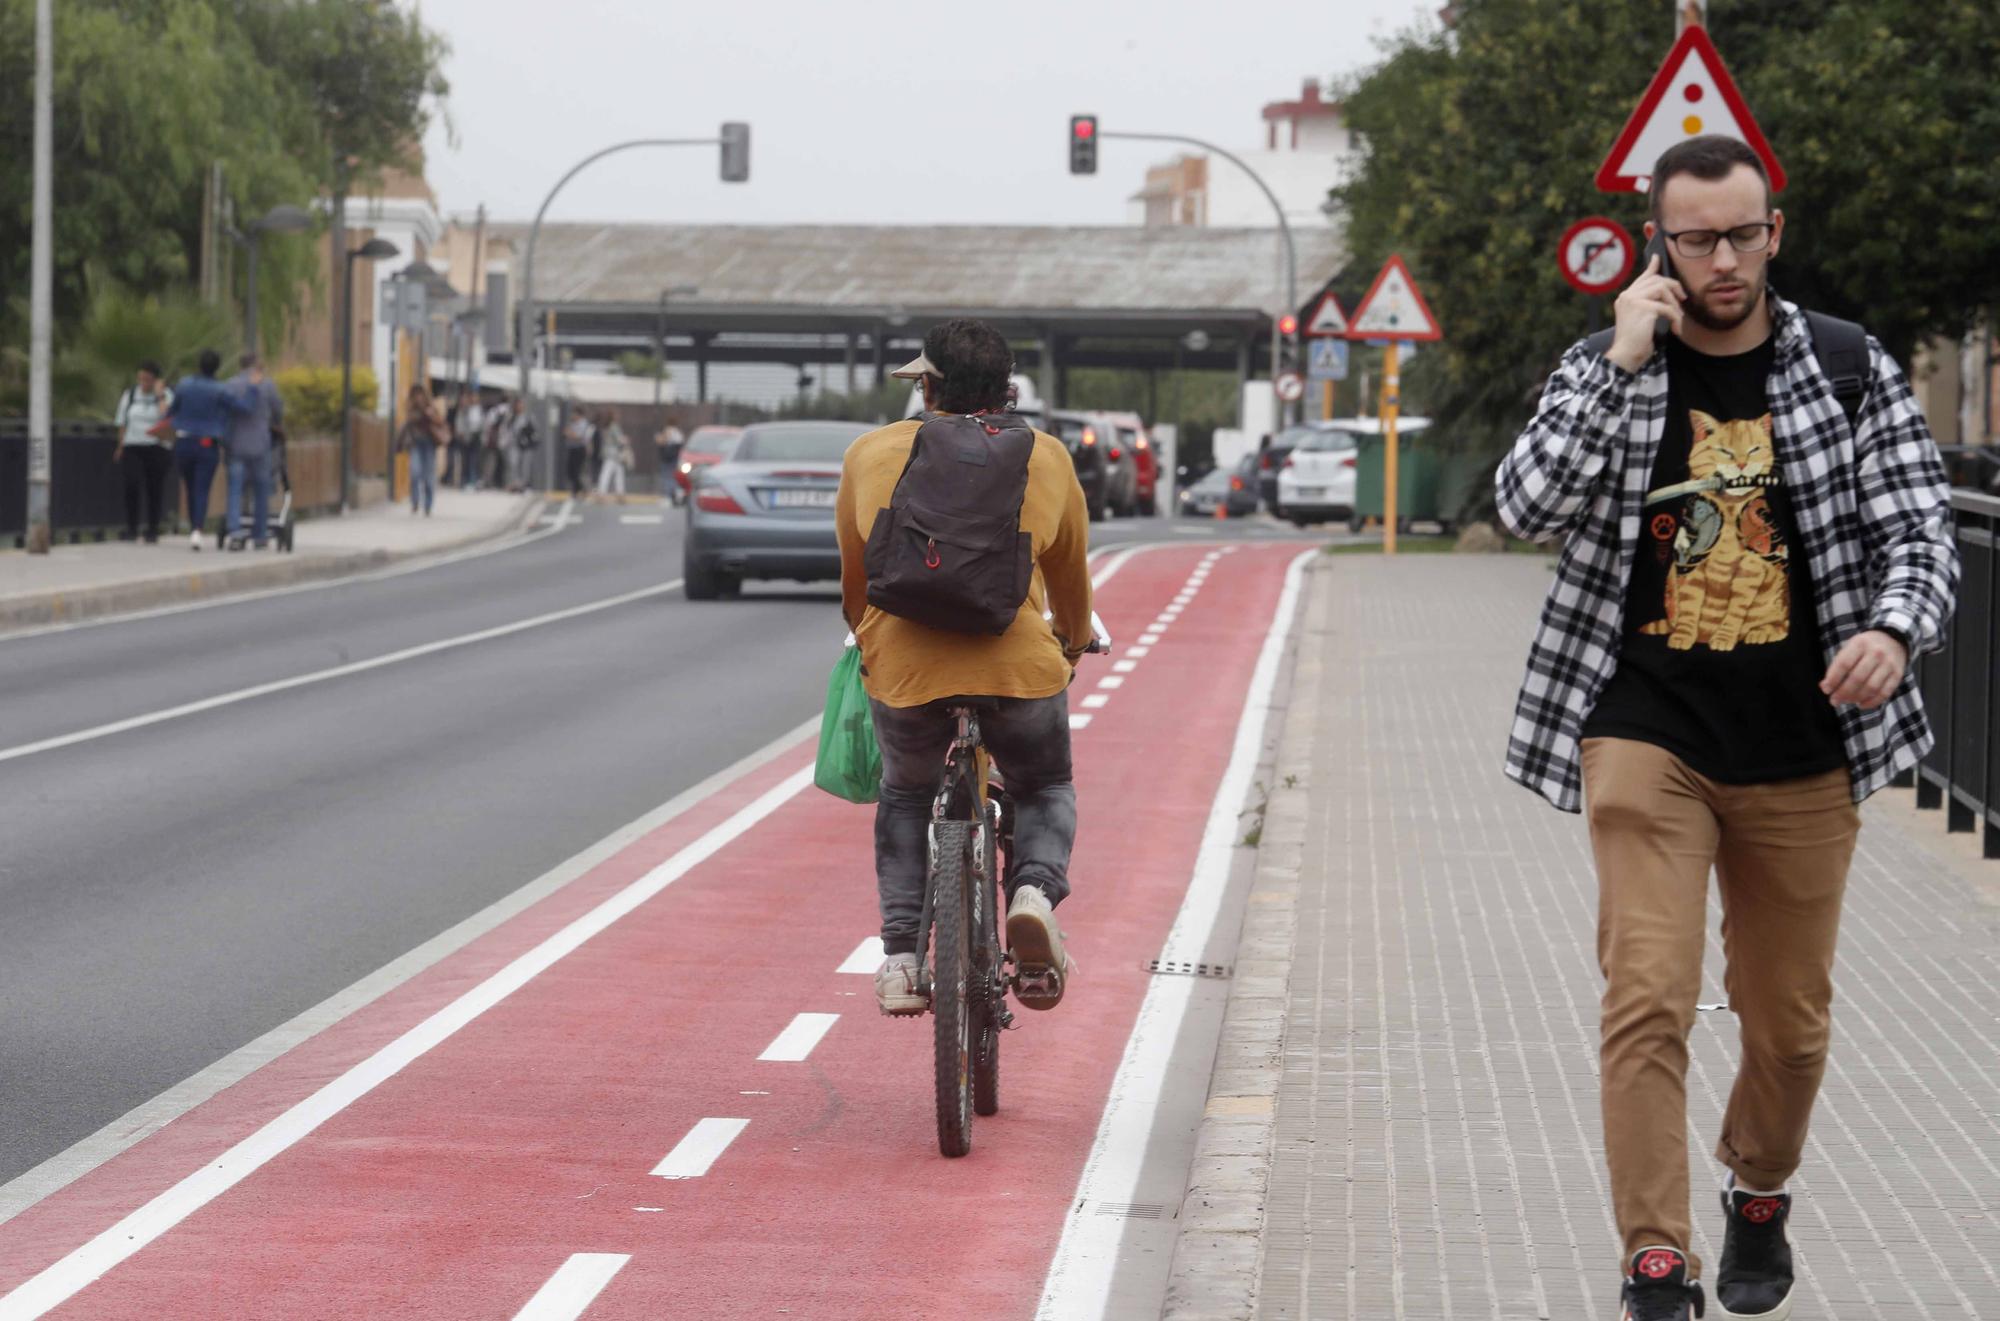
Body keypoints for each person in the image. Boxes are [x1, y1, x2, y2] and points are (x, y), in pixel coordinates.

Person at [1495, 136, 1958, 1321]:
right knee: (1645, 992)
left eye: (1739, 234)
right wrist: (1614, 361)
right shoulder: (1608, 366)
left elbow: (1919, 532)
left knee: (1788, 1026)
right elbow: (1520, 506)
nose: (1719, 259)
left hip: (1804, 747)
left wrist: (1894, 631)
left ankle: (1758, 1189)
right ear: (1657, 242)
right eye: (1693, 238)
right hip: (1641, 730)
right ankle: (1656, 1258)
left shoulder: (1847, 369)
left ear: (1772, 235)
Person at [832, 318, 1094, 1018]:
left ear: (927, 387)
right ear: (1007, 389)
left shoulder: (868, 453)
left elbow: (856, 580)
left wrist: (869, 639)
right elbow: (1070, 581)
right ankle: (1034, 893)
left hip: (905, 671)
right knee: (1043, 783)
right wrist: (1067, 646)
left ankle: (900, 959)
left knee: (907, 795)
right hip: (1017, 667)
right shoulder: (1049, 458)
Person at [164, 348, 248, 551]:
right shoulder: (220, 390)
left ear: (199, 364)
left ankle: (194, 525)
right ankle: (197, 530)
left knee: (190, 487)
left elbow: (171, 410)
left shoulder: (184, 385)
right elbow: (242, 408)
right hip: (207, 444)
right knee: (202, 488)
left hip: (184, 441)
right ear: (217, 367)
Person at [223, 353, 284, 550]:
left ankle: (234, 530)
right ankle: (260, 533)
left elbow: (225, 413)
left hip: (236, 444)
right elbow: (278, 411)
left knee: (235, 489)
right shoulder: (267, 385)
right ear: (257, 366)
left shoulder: (230, 385)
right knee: (261, 489)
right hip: (260, 444)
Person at [111, 361, 174, 542]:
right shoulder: (130, 395)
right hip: (133, 445)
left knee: (154, 488)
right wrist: (120, 445)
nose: (143, 383)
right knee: (131, 484)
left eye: (148, 380)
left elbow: (167, 417)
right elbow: (122, 421)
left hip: (156, 446)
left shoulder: (165, 395)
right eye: (141, 379)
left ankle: (152, 528)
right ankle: (131, 527)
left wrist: (160, 395)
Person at [397, 384, 447, 516]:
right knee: (415, 472)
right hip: (416, 444)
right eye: (416, 394)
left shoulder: (431, 407)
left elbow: (441, 422)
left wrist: (431, 415)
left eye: (421, 394)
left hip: (429, 445)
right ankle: (415, 502)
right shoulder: (411, 408)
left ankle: (428, 506)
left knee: (428, 477)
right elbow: (409, 420)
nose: (419, 397)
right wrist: (419, 412)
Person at [594, 409, 631, 501]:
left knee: (609, 473)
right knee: (616, 473)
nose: (618, 416)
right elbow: (619, 440)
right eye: (616, 414)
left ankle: (604, 493)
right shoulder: (614, 426)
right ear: (613, 417)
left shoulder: (606, 426)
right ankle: (618, 494)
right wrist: (626, 440)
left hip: (608, 452)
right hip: (615, 453)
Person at [456, 392, 486, 490]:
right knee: (466, 460)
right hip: (466, 437)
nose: (473, 399)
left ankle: (473, 481)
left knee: (475, 460)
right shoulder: (465, 410)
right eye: (472, 397)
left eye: (475, 397)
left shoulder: (480, 410)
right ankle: (466, 481)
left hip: (476, 437)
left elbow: (484, 424)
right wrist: (461, 433)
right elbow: (460, 422)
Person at [563, 406, 591, 499]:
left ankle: (578, 490)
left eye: (574, 413)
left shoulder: (583, 424)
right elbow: (566, 433)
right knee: (570, 470)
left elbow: (579, 436)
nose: (572, 415)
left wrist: (570, 434)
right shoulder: (572, 423)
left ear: (578, 414)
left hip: (579, 449)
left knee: (577, 470)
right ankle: (579, 489)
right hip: (572, 448)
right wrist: (570, 434)